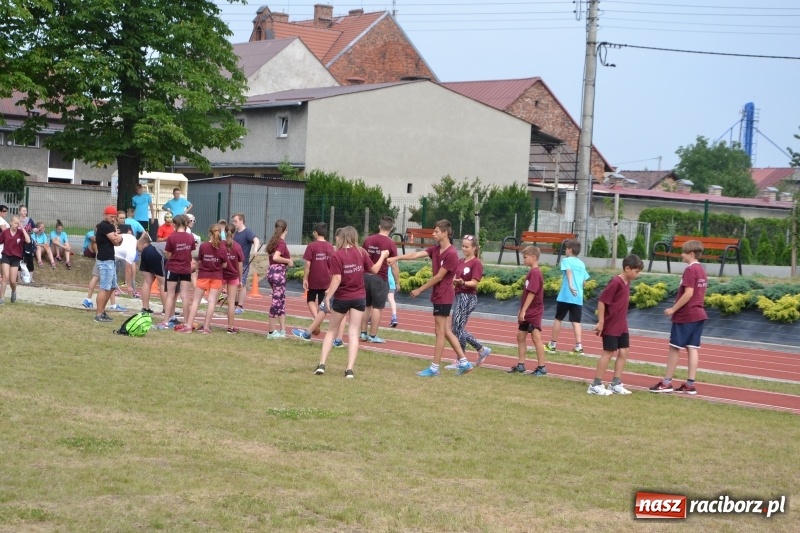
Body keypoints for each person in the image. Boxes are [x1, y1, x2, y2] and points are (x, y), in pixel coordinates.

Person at [389, 220, 473, 377]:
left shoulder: (451, 254)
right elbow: (415, 254)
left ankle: (434, 368)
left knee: (439, 332)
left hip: (443, 296)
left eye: (436, 232)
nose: (433, 234)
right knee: (445, 331)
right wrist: (396, 258)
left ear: (445, 233)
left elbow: (439, 277)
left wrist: (419, 289)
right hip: (439, 295)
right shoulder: (436, 249)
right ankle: (464, 362)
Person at [313, 226, 389, 379]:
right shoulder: (361, 252)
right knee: (353, 332)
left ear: (341, 237)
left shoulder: (337, 255)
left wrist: (328, 296)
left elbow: (337, 278)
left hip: (342, 297)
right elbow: (374, 270)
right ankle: (349, 369)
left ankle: (322, 364)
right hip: (359, 297)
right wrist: (382, 256)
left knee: (332, 331)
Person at [650, 240, 709, 395]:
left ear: (691, 254)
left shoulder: (690, 270)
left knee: (674, 347)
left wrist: (673, 309)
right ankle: (690, 384)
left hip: (686, 315)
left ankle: (666, 382)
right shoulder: (702, 270)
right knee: (692, 347)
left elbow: (688, 293)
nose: (681, 255)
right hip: (699, 314)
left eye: (683, 252)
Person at [588, 255, 644, 395]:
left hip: (622, 324)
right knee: (608, 353)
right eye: (636, 271)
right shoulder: (616, 282)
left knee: (624, 352)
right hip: (612, 324)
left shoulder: (627, 281)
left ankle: (616, 384)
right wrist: (601, 322)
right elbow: (602, 301)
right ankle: (595, 385)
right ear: (627, 268)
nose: (638, 274)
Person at [445, 234, 492, 369]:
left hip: (468, 297)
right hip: (459, 296)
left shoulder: (476, 263)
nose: (464, 249)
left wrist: (463, 282)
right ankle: (481, 349)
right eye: (463, 246)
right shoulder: (461, 261)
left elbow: (475, 283)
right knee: (456, 329)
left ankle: (461, 360)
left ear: (474, 248)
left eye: (467, 247)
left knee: (457, 329)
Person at [179, 224, 227, 334]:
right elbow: (224, 265)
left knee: (196, 301)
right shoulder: (222, 248)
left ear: (209, 233)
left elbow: (200, 261)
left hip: (203, 275)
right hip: (216, 276)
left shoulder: (204, 246)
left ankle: (188, 326)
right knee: (212, 301)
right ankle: (206, 327)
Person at [545, 238, 590, 355]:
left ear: (570, 250)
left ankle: (552, 345)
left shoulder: (566, 260)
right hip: (577, 297)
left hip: (566, 295)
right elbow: (584, 282)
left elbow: (569, 271)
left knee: (558, 319)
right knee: (576, 322)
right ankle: (579, 347)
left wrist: (570, 284)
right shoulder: (582, 264)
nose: (565, 251)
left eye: (566, 249)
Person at [360, 215, 399, 344]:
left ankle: (363, 333)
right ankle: (373, 335)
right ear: (391, 228)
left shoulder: (368, 240)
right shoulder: (390, 243)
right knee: (377, 307)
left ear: (379, 226)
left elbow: (362, 257)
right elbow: (394, 265)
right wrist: (397, 282)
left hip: (365, 276)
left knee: (366, 305)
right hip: (380, 277)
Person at [509, 245, 547, 376]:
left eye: (525, 257)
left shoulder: (536, 273)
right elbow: (526, 293)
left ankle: (541, 367)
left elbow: (532, 292)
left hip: (534, 310)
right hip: (527, 310)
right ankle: (521, 365)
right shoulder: (531, 272)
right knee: (520, 336)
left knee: (536, 338)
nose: (523, 260)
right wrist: (522, 309)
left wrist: (524, 310)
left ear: (533, 257)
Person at [162, 215, 196, 329]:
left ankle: (166, 321)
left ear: (175, 224)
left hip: (173, 268)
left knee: (170, 295)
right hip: (186, 268)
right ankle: (187, 322)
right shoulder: (190, 237)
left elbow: (167, 252)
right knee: (185, 295)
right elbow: (191, 251)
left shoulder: (172, 237)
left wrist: (173, 257)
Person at [299, 222, 334, 334]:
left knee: (310, 299)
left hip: (314, 278)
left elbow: (308, 264)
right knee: (321, 303)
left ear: (315, 233)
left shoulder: (311, 246)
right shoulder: (330, 247)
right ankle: (317, 321)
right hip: (326, 279)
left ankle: (316, 320)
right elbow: (332, 265)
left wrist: (305, 278)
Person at [93, 206, 123, 322]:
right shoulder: (104, 226)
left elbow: (117, 243)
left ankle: (102, 311)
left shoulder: (110, 226)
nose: (113, 219)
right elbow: (115, 240)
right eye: (111, 216)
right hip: (105, 260)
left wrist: (118, 237)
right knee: (105, 287)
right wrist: (119, 236)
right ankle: (98, 314)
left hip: (110, 259)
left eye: (114, 217)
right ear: (105, 215)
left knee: (112, 287)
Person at [265, 219, 293, 338]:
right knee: (276, 301)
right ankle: (271, 332)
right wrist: (288, 261)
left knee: (280, 300)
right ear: (286, 229)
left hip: (271, 271)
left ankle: (282, 330)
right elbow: (276, 257)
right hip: (278, 273)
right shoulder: (281, 243)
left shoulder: (273, 242)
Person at [232, 213, 260, 315]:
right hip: (233, 263)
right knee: (233, 284)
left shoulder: (247, 232)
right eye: (233, 221)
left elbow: (256, 239)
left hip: (243, 264)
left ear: (241, 221)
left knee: (241, 284)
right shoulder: (235, 234)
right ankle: (235, 304)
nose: (234, 223)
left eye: (235, 221)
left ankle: (240, 306)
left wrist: (255, 249)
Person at [0, 215, 31, 304]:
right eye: (15, 223)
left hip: (16, 258)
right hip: (6, 256)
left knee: (12, 281)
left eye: (18, 223)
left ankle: (14, 291)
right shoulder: (5, 232)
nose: (17, 225)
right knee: (5, 277)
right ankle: (1, 298)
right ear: (11, 223)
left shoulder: (20, 233)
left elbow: (28, 241)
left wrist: (22, 228)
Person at [221, 223, 244, 333]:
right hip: (233, 275)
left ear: (224, 232)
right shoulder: (237, 246)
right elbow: (240, 265)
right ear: (234, 233)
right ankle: (230, 328)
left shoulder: (220, 244)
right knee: (231, 302)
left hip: (221, 275)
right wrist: (240, 279)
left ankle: (206, 326)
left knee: (212, 300)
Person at [137, 233, 167, 315]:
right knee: (164, 283)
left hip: (146, 253)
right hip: (156, 253)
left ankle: (145, 307)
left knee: (147, 281)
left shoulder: (148, 247)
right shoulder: (158, 246)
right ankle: (166, 309)